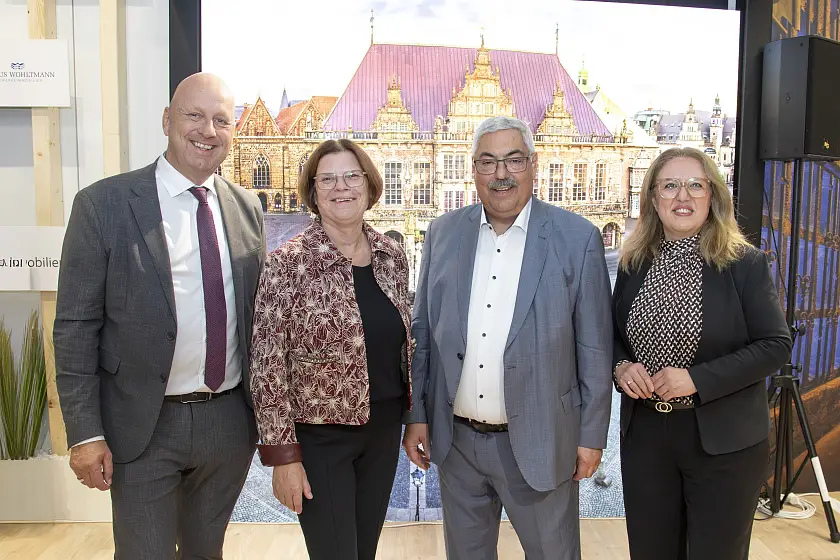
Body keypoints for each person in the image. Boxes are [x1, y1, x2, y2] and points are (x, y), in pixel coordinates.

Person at [53, 72, 266, 559]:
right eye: (194, 115)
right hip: (143, 426)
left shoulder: (247, 207)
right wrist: (85, 433)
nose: (207, 130)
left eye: (221, 121)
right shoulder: (102, 206)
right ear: (167, 120)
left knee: (204, 553)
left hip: (228, 424)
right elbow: (74, 328)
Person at [402, 115, 614, 559]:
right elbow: (421, 333)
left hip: (542, 442)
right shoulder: (442, 233)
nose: (501, 174)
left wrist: (591, 437)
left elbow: (594, 349)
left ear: (534, 164)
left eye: (514, 160)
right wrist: (416, 415)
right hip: (457, 445)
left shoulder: (578, 239)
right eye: (488, 161)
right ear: (473, 169)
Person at [611, 147, 792, 560]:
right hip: (647, 441)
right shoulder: (633, 263)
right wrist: (620, 367)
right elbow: (612, 335)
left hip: (724, 443)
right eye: (670, 185)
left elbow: (775, 345)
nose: (683, 197)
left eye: (696, 185)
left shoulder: (745, 263)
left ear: (713, 196)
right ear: (653, 199)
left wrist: (696, 379)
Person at [248, 138, 413, 560]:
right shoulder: (288, 263)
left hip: (382, 432)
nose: (342, 187)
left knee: (364, 550)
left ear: (369, 186)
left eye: (351, 176)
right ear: (314, 192)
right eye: (328, 179)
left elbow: (403, 346)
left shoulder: (392, 257)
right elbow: (267, 366)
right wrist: (283, 456)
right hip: (321, 438)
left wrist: (415, 419)